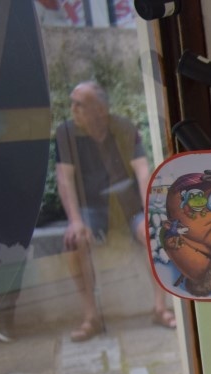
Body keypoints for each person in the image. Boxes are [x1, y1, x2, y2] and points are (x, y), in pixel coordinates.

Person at [55, 80, 176, 341]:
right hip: (92, 209)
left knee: (154, 235)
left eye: (80, 104)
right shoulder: (66, 133)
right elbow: (64, 179)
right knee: (75, 243)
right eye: (72, 104)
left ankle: (160, 308)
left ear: (100, 109)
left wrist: (152, 214)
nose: (73, 109)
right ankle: (91, 317)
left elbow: (143, 172)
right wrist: (75, 221)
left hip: (129, 207)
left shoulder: (123, 127)